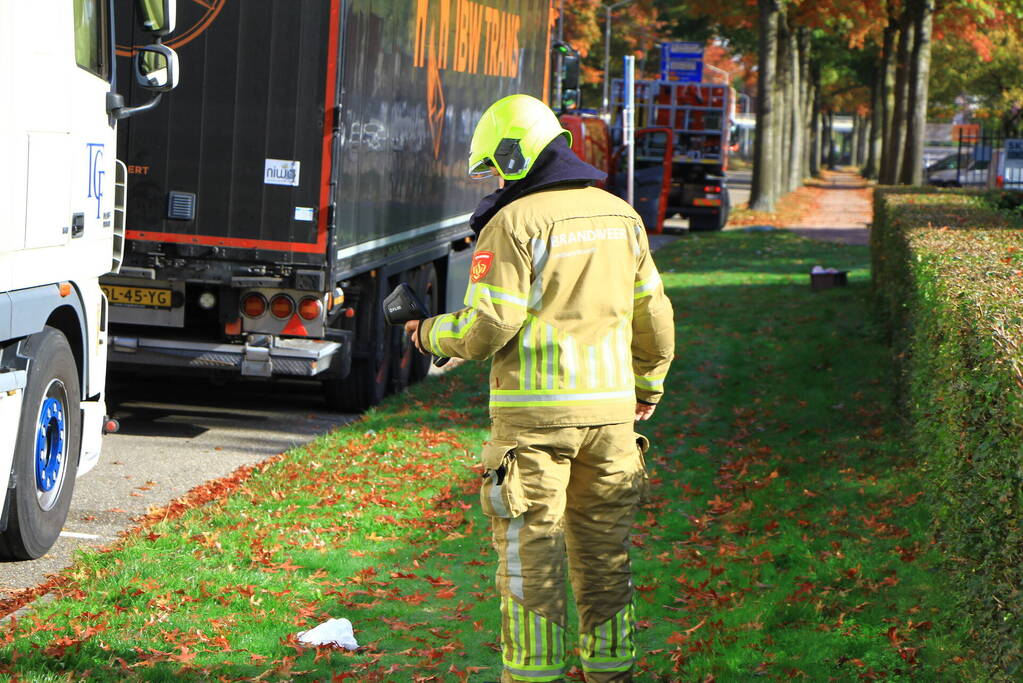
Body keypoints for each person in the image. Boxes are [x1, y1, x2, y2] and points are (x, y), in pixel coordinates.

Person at [405, 94, 674, 683]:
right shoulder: (621, 215)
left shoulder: (513, 223)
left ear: (516, 156)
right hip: (612, 422)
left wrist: (428, 333)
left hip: (535, 426)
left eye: (497, 167)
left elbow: (488, 327)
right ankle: (611, 675)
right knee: (606, 558)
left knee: (533, 561)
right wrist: (647, 385)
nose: (495, 180)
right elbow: (653, 313)